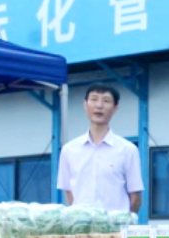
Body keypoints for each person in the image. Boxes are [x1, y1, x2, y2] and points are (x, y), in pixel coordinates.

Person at [57, 83, 143, 214]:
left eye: (106, 100)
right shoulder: (69, 150)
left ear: (115, 108)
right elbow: (70, 194)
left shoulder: (128, 150)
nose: (99, 105)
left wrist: (123, 224)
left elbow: (135, 198)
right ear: (85, 105)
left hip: (116, 231)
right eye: (94, 99)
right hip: (82, 230)